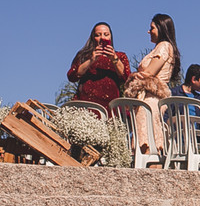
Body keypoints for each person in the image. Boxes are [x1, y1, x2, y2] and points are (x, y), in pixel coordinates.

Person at [125, 13, 180, 159]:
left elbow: (149, 72)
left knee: (149, 140)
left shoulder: (164, 46)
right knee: (145, 137)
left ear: (161, 28)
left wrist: (134, 76)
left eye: (152, 28)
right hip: (147, 97)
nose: (149, 31)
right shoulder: (159, 48)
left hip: (152, 98)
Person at [67, 22, 131, 110]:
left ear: (110, 37)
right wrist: (91, 60)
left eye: (106, 34)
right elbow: (72, 76)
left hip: (110, 107)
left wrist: (114, 59)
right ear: (93, 38)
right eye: (98, 35)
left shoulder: (120, 56)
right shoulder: (84, 55)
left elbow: (126, 78)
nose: (102, 38)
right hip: (85, 106)